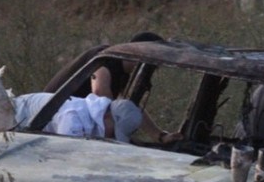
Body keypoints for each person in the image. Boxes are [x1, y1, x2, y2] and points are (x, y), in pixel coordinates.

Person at [44, 31, 179, 144]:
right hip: (52, 120)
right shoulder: (107, 58)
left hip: (74, 123)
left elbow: (129, 107)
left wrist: (159, 135)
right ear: (141, 53)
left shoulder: (123, 72)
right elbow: (100, 94)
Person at [13, 92, 142, 143]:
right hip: (11, 119)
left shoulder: (90, 114)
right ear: (107, 116)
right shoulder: (73, 118)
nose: (112, 136)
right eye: (114, 131)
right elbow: (66, 155)